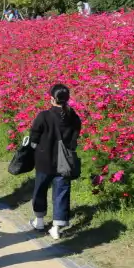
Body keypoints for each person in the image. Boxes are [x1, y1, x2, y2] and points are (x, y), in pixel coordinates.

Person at [29, 84, 82, 240]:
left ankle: (39, 221)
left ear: (52, 99)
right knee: (61, 193)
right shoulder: (73, 117)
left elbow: (34, 136)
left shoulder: (44, 116)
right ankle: (56, 227)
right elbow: (75, 138)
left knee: (40, 189)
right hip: (64, 162)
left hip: (44, 160)